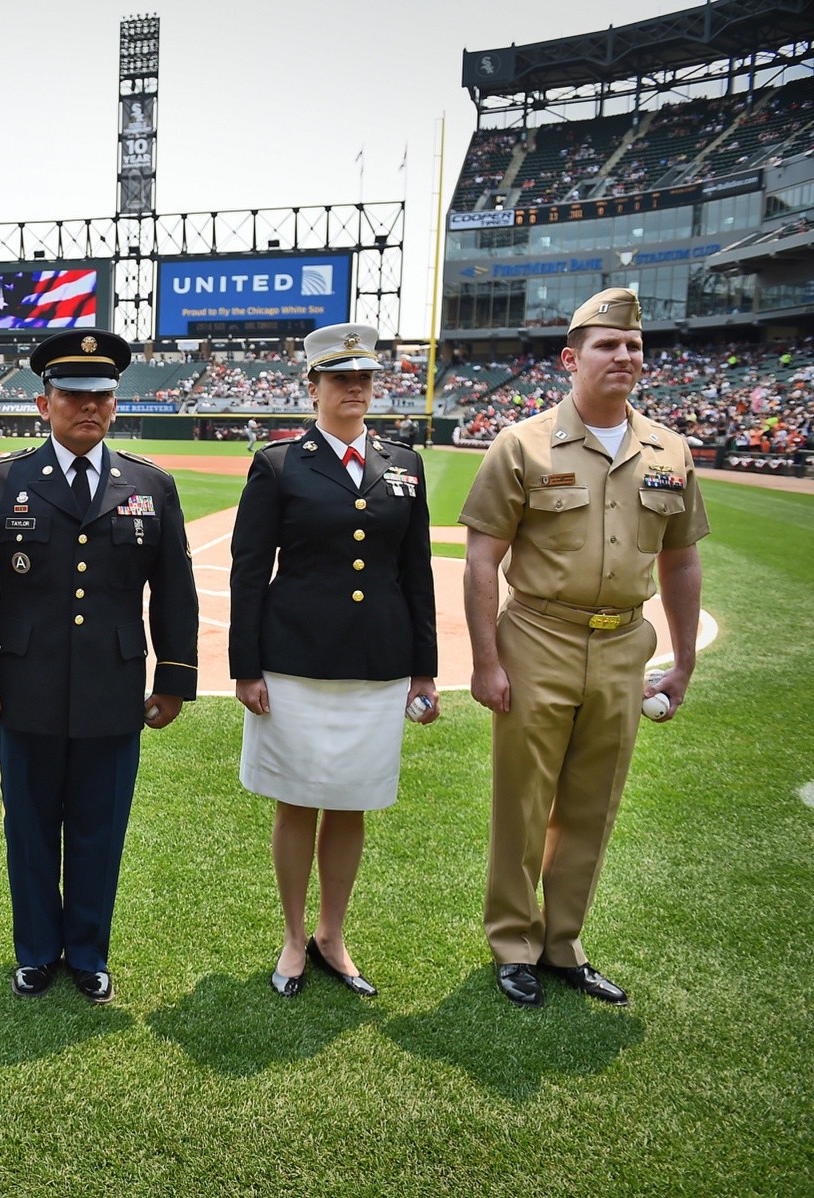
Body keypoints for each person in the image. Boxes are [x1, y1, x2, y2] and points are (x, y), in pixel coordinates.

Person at [461, 287, 709, 1008]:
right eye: (607, 345)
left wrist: (684, 659)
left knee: (594, 802)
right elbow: (483, 559)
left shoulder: (669, 449)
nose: (624, 355)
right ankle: (514, 942)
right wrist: (485, 661)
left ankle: (563, 942)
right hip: (539, 635)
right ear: (572, 359)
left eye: (633, 346)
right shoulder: (523, 443)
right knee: (524, 800)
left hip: (625, 642)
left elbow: (682, 561)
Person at [0, 329, 198, 1004]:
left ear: (115, 405)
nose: (87, 406)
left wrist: (174, 679)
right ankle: (35, 951)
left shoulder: (152, 486)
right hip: (23, 689)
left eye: (100, 396)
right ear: (44, 403)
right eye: (72, 395)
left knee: (99, 829)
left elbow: (174, 589)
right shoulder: (2, 481)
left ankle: (87, 952)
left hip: (113, 690)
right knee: (29, 829)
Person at [227, 323, 439, 999]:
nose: (354, 388)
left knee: (352, 804)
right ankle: (294, 937)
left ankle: (332, 935)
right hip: (294, 664)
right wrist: (247, 666)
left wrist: (425, 669)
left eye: (364, 378)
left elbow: (417, 571)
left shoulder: (404, 464)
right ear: (313, 387)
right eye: (340, 378)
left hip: (377, 665)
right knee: (296, 803)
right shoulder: (278, 465)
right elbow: (249, 570)